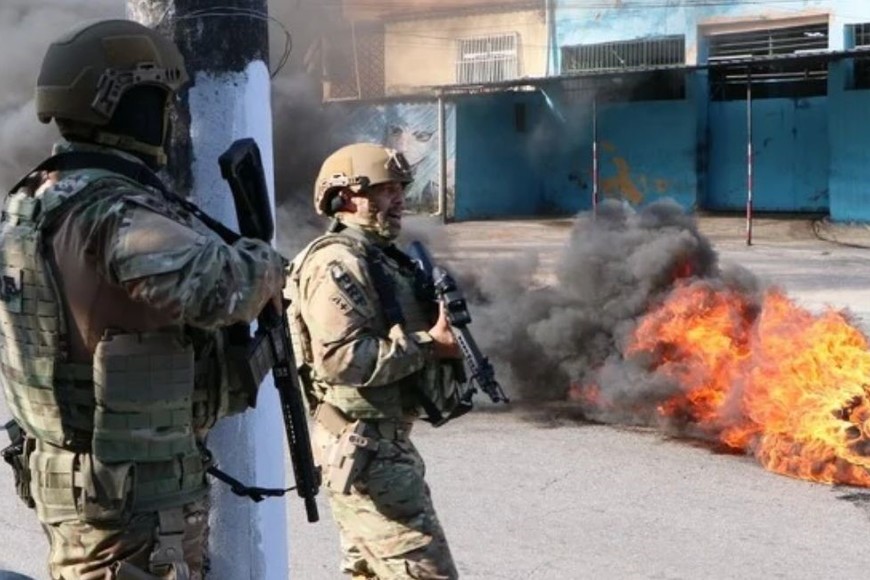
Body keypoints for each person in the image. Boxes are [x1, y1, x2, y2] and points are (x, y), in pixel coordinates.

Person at [0, 19, 287, 580]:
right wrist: (268, 266)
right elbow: (218, 287)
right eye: (159, 98)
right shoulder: (110, 210)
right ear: (126, 102)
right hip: (130, 502)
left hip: (86, 483)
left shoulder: (31, 200)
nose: (167, 115)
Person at [286, 142, 464, 579]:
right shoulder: (335, 263)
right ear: (343, 198)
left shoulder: (377, 257)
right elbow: (341, 359)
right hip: (367, 451)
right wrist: (428, 344)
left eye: (400, 188)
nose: (400, 199)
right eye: (384, 190)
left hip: (380, 446)